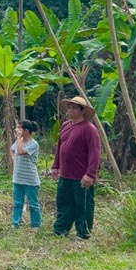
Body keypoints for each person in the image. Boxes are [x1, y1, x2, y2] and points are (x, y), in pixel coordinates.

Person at [51, 96, 101, 239]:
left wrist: (90, 174)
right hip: (65, 174)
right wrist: (56, 166)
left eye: (74, 107)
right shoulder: (66, 125)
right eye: (69, 107)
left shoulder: (89, 129)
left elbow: (95, 153)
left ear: (82, 111)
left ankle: (83, 232)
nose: (70, 110)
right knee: (64, 202)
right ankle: (61, 229)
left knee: (83, 206)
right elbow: (60, 147)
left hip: (81, 176)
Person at [11, 120, 41, 230]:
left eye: (19, 128)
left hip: (30, 179)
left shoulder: (33, 144)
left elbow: (20, 152)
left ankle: (35, 224)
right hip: (18, 178)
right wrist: (14, 160)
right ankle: (15, 223)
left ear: (26, 131)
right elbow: (12, 149)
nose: (16, 130)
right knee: (17, 203)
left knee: (33, 203)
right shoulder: (19, 142)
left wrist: (18, 139)